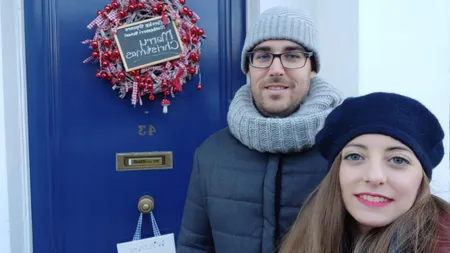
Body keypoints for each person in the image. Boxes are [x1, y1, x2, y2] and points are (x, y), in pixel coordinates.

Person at [176, 5, 343, 253]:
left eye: (292, 56)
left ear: (313, 67)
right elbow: (195, 246)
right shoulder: (211, 154)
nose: (276, 70)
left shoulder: (345, 149)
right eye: (263, 56)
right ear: (248, 68)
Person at [279, 92, 450, 253]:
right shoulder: (309, 235)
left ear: (422, 177)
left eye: (398, 160)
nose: (374, 177)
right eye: (355, 156)